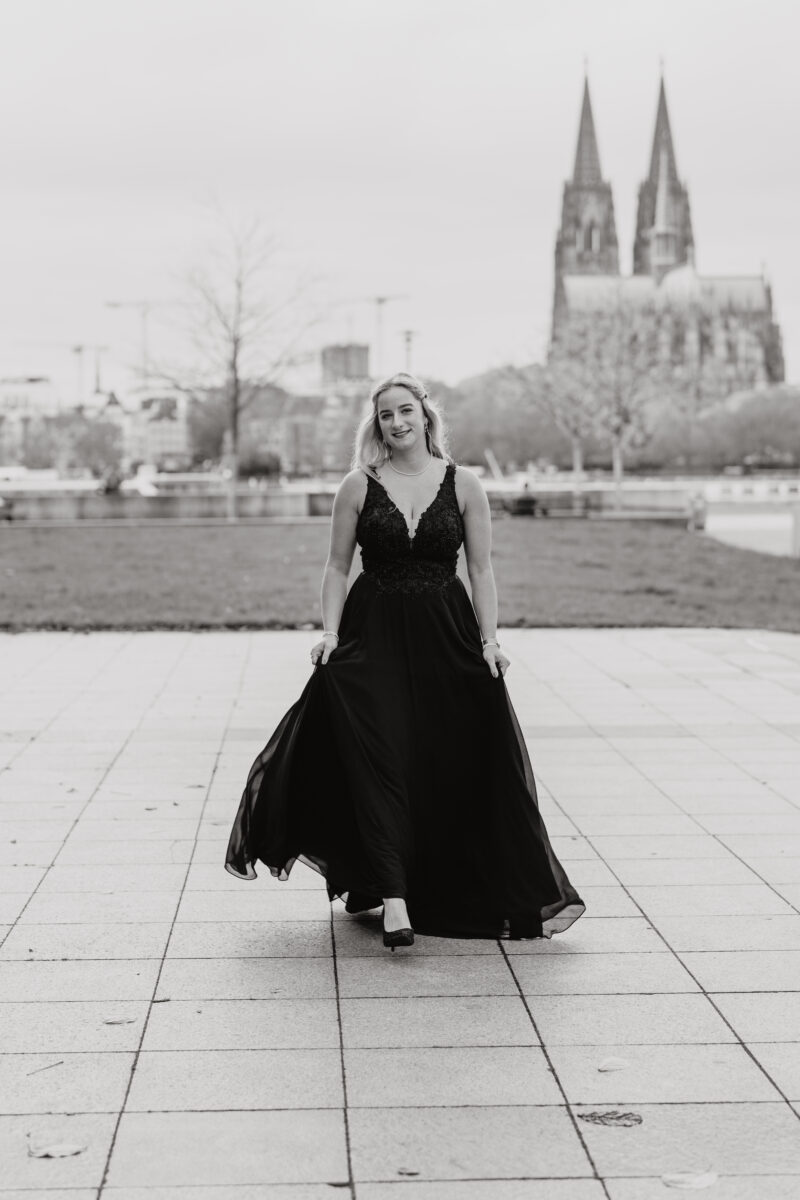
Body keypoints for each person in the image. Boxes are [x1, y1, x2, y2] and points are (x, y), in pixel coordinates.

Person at [225, 371, 586, 949]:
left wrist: (491, 641)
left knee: (444, 757)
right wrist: (330, 633)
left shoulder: (464, 484)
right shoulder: (357, 485)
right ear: (377, 424)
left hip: (447, 635)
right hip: (374, 638)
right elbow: (338, 568)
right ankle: (394, 898)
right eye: (385, 415)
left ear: (425, 415)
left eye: (405, 411)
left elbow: (482, 570)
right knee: (379, 758)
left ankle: (430, 876)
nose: (396, 423)